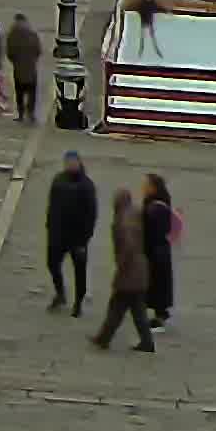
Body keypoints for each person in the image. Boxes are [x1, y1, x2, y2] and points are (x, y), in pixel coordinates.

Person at [89, 186, 154, 350]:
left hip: (129, 273)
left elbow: (128, 247)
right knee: (136, 309)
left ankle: (103, 338)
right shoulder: (135, 213)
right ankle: (146, 342)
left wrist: (121, 268)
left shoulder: (121, 223)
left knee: (117, 306)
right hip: (141, 269)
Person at [44, 150, 97, 311]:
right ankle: (60, 294)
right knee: (52, 264)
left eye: (73, 162)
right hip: (58, 235)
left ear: (79, 163)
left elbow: (91, 214)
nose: (70, 165)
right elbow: (52, 205)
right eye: (68, 162)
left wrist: (84, 240)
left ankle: (78, 302)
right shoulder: (59, 180)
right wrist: (49, 225)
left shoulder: (86, 185)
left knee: (79, 272)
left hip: (78, 238)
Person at [140, 175, 179, 331]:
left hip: (156, 254)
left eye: (146, 185)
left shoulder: (157, 208)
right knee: (153, 286)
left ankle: (160, 318)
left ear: (153, 188)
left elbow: (155, 232)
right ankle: (157, 314)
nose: (142, 187)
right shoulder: (153, 205)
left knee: (157, 285)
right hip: (155, 252)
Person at [6, 15, 46, 123]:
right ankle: (31, 113)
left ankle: (21, 114)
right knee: (32, 92)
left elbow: (9, 53)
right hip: (31, 68)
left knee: (19, 93)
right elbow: (38, 50)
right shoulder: (33, 34)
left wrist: (15, 61)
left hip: (18, 69)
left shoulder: (12, 35)